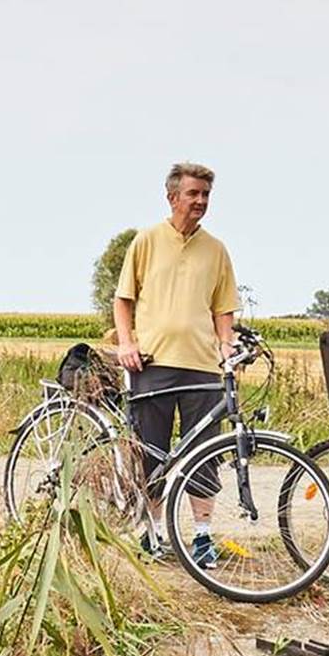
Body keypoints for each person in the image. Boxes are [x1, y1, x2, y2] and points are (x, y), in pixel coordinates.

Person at [113, 162, 239, 567]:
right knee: (152, 451)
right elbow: (123, 300)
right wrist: (127, 343)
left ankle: (202, 536)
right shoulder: (147, 241)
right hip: (152, 362)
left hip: (203, 366)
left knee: (204, 452)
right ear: (172, 197)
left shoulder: (216, 250)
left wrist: (226, 345)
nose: (200, 201)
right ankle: (152, 532)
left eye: (206, 195)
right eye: (193, 194)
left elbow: (223, 308)